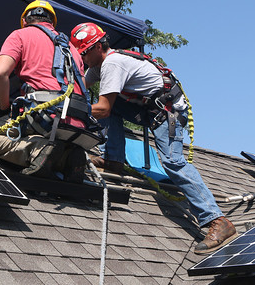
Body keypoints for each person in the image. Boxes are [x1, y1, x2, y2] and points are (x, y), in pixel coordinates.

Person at [70, 22, 237, 254]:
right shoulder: (98, 66)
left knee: (172, 162)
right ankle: (114, 159)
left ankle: (218, 221)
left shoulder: (112, 63)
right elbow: (78, 89)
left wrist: (67, 108)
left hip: (168, 112)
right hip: (149, 109)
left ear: (98, 46)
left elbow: (103, 109)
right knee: (102, 103)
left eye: (85, 52)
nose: (83, 58)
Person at [0, 0, 91, 183]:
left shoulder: (20, 35)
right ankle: (66, 157)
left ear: (24, 21)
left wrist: (4, 109)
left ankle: (37, 149)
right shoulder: (71, 49)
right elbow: (82, 88)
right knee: (48, 135)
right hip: (76, 121)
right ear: (52, 23)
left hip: (45, 115)